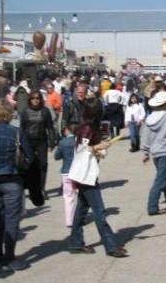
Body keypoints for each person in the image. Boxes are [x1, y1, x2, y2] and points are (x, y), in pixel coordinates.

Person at [67, 98, 128, 258]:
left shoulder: (90, 128)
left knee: (81, 210)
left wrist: (100, 149)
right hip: (85, 175)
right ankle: (111, 246)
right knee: (99, 212)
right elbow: (81, 150)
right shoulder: (86, 129)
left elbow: (88, 150)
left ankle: (75, 242)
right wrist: (97, 147)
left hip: (87, 173)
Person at [0, 100, 34, 272]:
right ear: (10, 113)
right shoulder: (16, 133)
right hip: (11, 178)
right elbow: (29, 156)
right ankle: (9, 257)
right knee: (12, 220)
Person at [140, 91, 166, 216]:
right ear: (165, 104)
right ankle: (152, 206)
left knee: (163, 176)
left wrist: (145, 152)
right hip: (164, 151)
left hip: (154, 152)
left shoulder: (149, 119)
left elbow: (145, 136)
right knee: (161, 179)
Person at [20, 90, 57, 199]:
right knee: (29, 164)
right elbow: (22, 128)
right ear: (29, 99)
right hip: (28, 141)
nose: (35, 101)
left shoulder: (45, 111)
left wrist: (52, 141)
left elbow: (50, 127)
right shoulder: (25, 111)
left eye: (37, 98)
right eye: (33, 98)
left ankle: (41, 188)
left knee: (42, 164)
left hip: (41, 140)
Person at [54, 124, 77, 228]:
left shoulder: (62, 142)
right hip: (77, 172)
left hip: (66, 172)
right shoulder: (78, 142)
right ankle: (80, 217)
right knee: (80, 195)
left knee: (68, 196)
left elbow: (57, 157)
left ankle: (69, 220)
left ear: (68, 130)